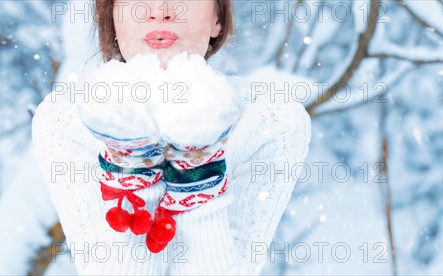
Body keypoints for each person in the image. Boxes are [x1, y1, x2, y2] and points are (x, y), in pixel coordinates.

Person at [32, 0, 312, 274]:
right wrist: (132, 165)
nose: (160, 11)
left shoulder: (270, 122)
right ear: (111, 14)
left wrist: (198, 173)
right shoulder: (66, 121)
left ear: (218, 17)